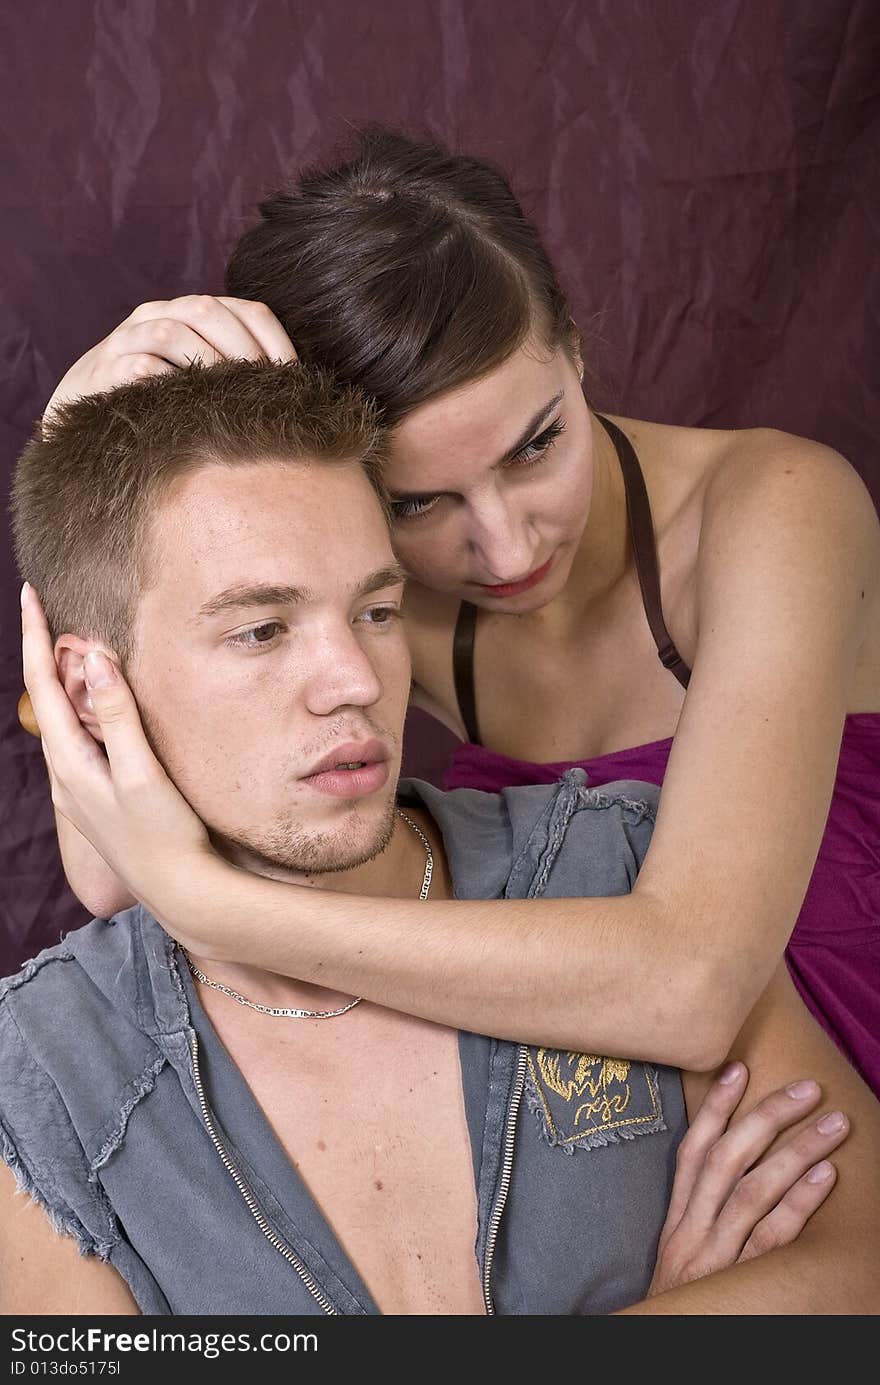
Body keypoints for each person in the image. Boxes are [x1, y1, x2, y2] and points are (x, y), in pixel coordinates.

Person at [9, 362, 880, 1316]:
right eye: (262, 631)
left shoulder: (614, 861)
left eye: (378, 611)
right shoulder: (42, 1087)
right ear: (89, 687)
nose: (354, 679)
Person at [32, 129, 880, 1096]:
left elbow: (692, 985)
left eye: (536, 447)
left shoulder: (777, 504)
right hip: (605, 1124)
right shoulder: (376, 614)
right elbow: (106, 871)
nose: (509, 550)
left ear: (574, 344)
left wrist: (216, 909)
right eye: (417, 503)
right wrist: (72, 439)